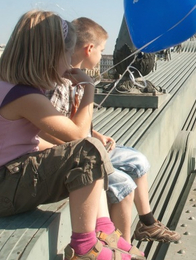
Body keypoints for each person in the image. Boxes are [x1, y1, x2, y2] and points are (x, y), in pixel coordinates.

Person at [0, 10, 139, 260]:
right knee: (87, 151)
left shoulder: (13, 89)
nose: (70, 61)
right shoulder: (25, 97)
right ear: (50, 55)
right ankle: (85, 246)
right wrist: (88, 88)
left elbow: (30, 143)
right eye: (67, 54)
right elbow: (79, 136)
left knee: (88, 154)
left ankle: (103, 229)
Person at [43, 17, 180, 244]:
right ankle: (123, 248)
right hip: (73, 154)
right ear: (89, 49)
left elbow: (73, 122)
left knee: (139, 161)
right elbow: (50, 128)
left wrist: (95, 135)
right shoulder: (61, 82)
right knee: (124, 185)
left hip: (84, 145)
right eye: (101, 50)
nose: (102, 55)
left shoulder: (77, 76)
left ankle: (147, 223)